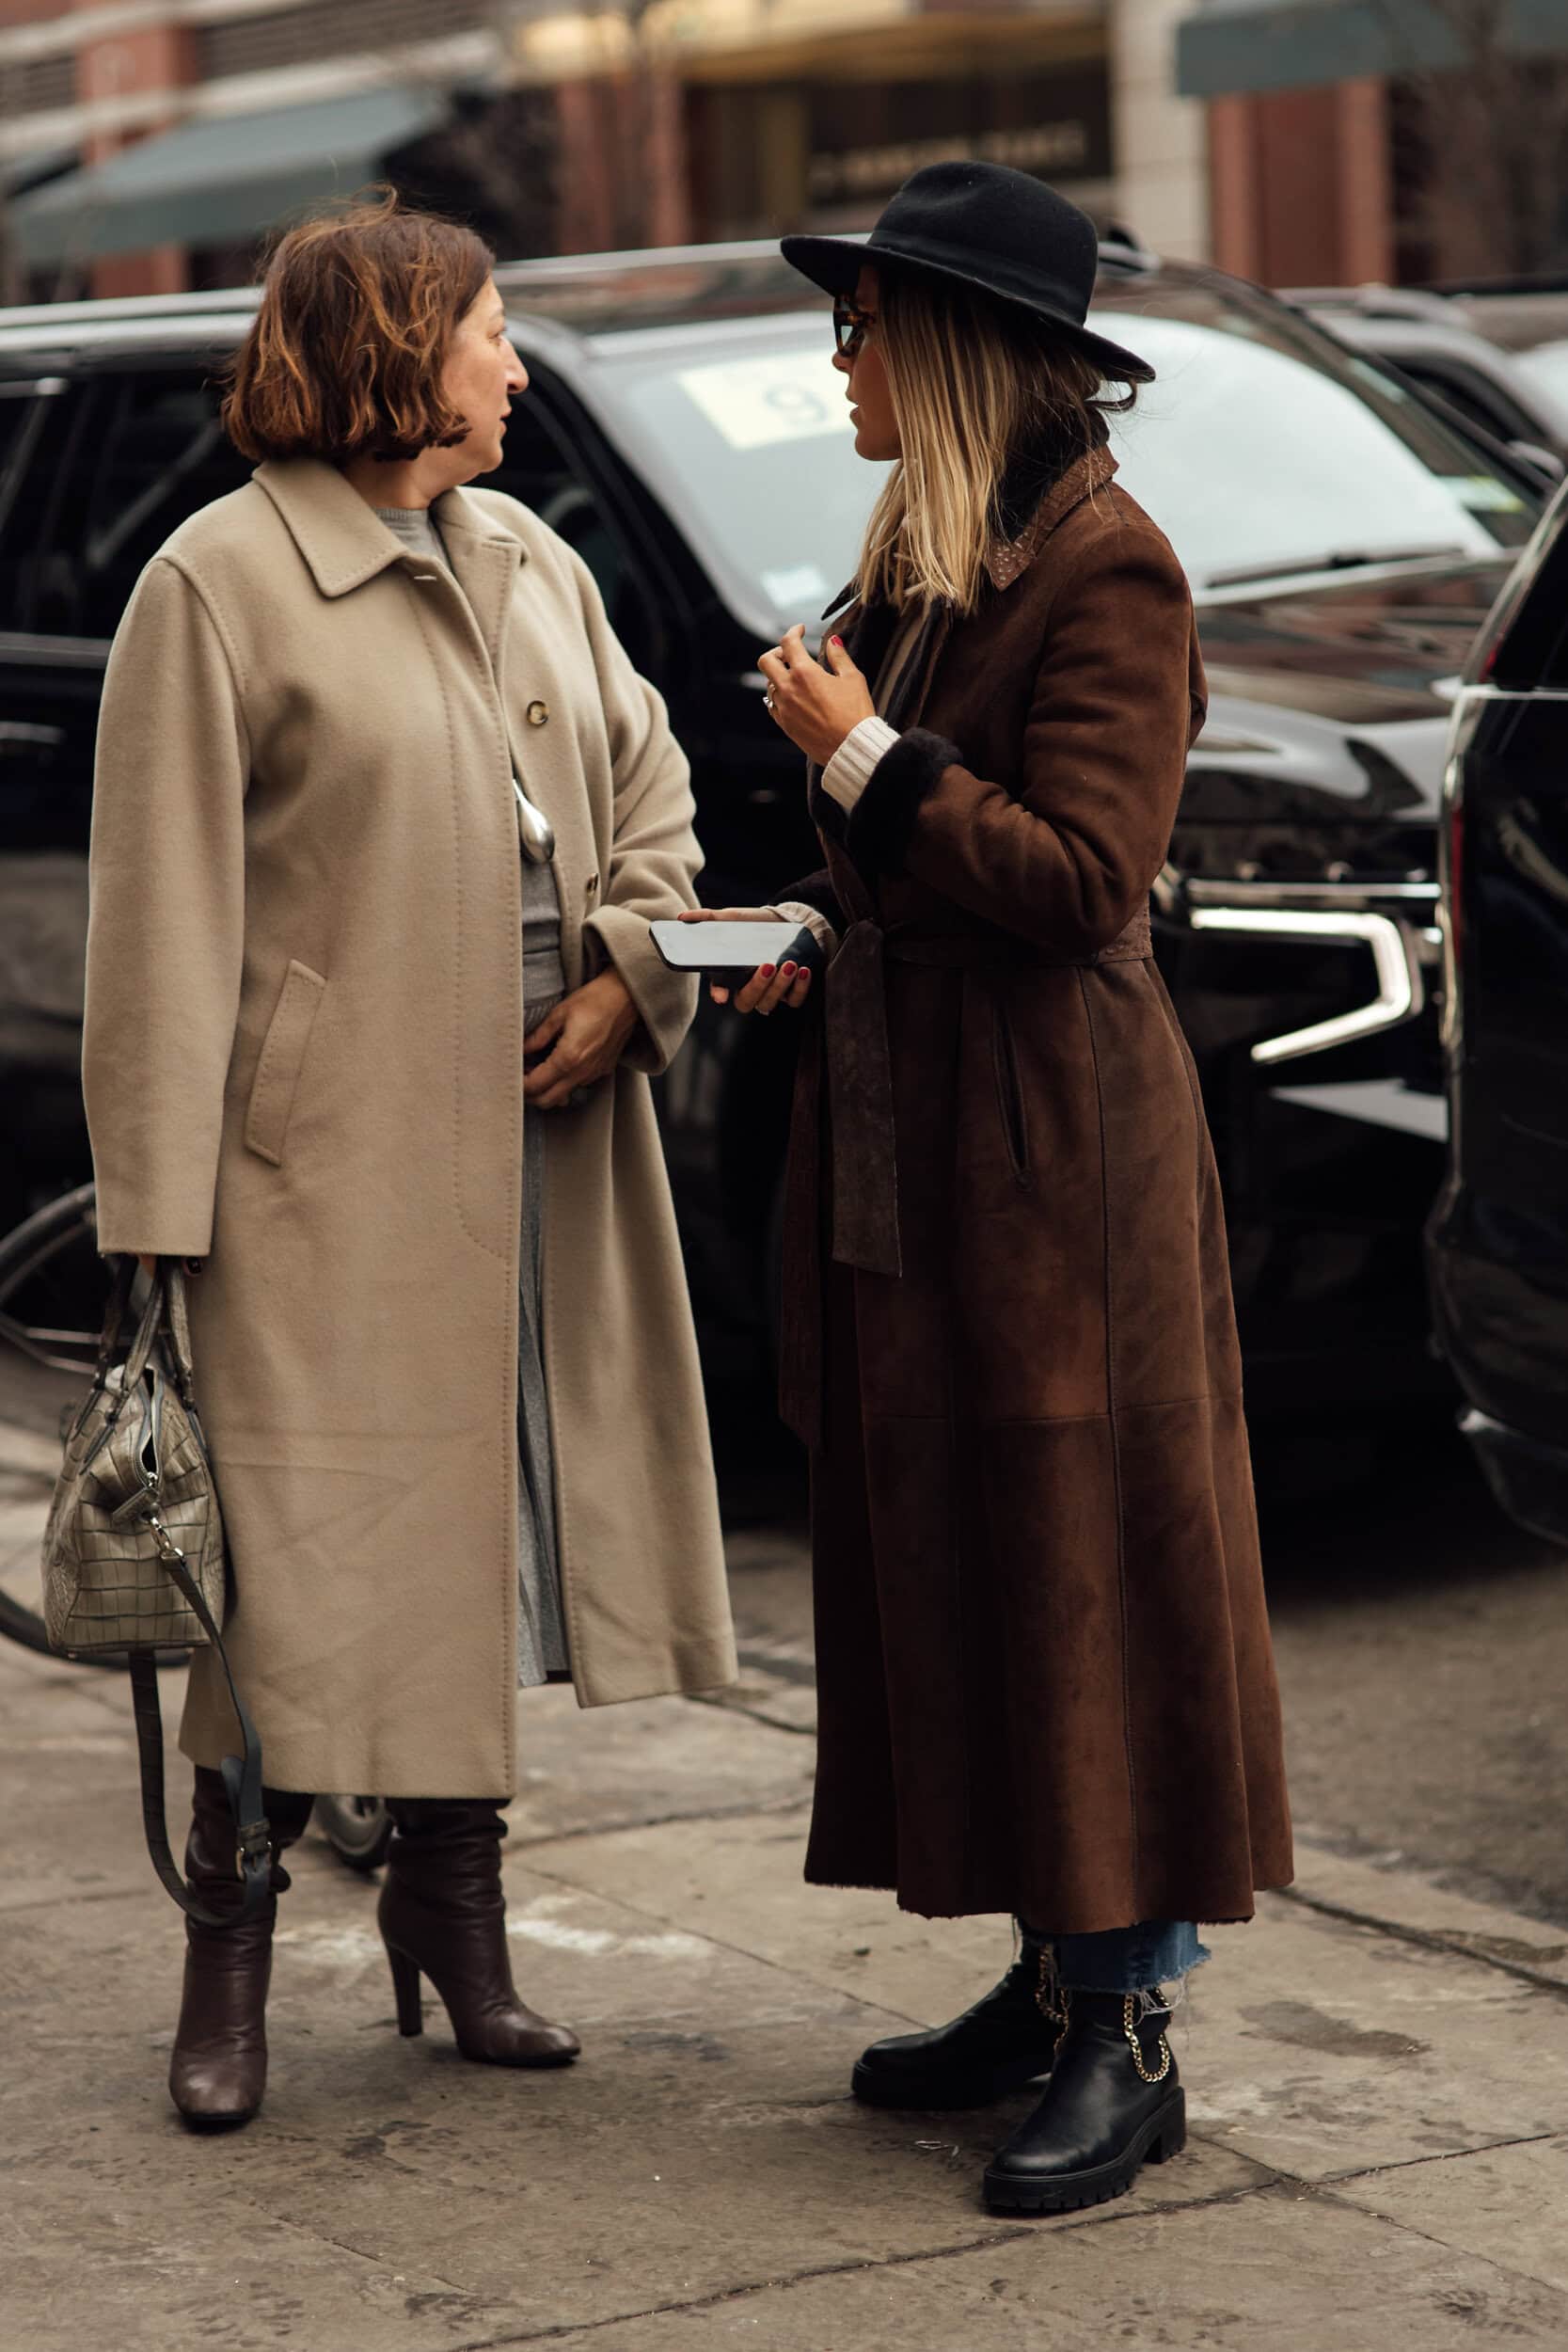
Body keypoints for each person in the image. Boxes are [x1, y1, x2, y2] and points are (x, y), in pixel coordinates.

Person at [82, 194, 736, 2130]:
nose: (516, 368)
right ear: (397, 354)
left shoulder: (528, 554)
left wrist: (635, 974)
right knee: (289, 1575)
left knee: (481, 1545)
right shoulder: (214, 584)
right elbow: (162, 931)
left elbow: (656, 799)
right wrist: (157, 1232)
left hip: (542, 1138)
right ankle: (233, 1950)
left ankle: (458, 1921)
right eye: (493, 334)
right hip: (314, 1176)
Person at [686, 162, 1292, 2216]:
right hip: (928, 1126)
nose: (834, 359)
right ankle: (1049, 1981)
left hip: (1056, 1158)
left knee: (1081, 1555)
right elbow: (920, 868)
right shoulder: (932, 552)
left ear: (943, 349)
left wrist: (871, 769)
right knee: (967, 1543)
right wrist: (806, 913)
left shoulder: (1110, 566)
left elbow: (1078, 881)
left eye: (860, 328)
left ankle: (1128, 2028)